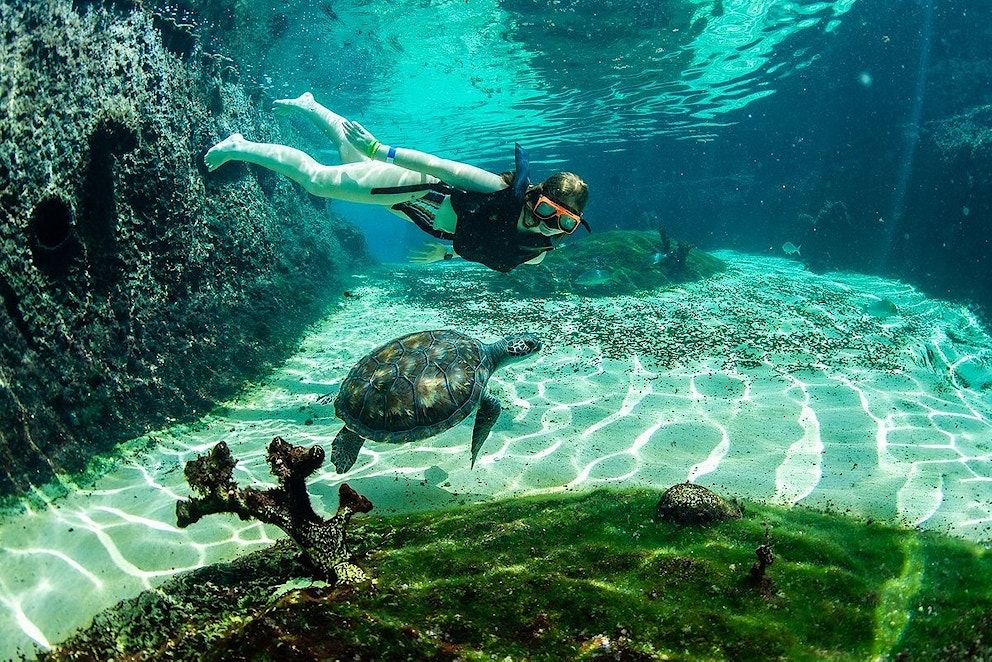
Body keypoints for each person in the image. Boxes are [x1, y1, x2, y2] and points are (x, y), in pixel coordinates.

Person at [204, 93, 590, 272]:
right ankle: (241, 146)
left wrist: (446, 255)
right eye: (545, 211)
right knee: (318, 181)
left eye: (564, 223)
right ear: (532, 198)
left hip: (418, 216)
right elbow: (442, 167)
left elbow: (491, 245)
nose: (547, 224)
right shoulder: (498, 190)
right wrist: (379, 149)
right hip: (420, 188)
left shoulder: (537, 253)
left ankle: (311, 105)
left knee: (348, 158)